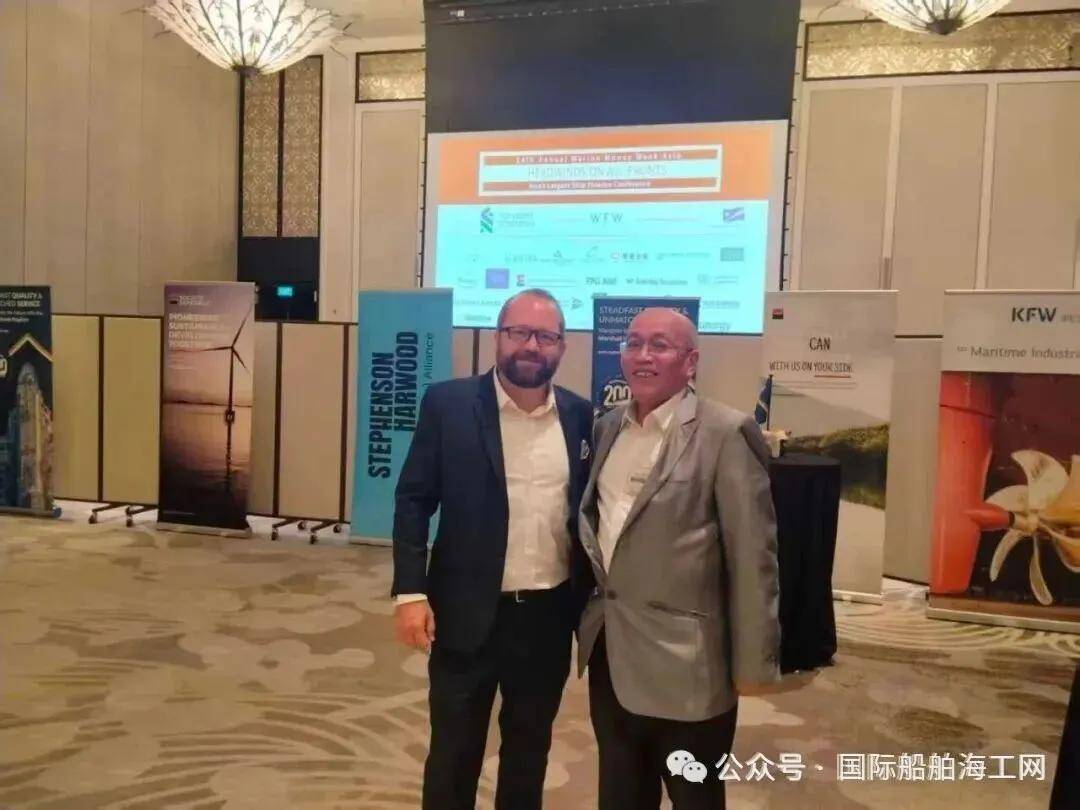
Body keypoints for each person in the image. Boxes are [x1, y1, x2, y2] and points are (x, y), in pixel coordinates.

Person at [392, 289, 594, 810]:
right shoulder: (449, 405)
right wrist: (410, 591)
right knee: (454, 753)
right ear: (498, 337)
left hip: (547, 619)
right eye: (519, 332)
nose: (531, 345)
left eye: (545, 336)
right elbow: (414, 499)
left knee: (529, 751)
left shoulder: (580, 416)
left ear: (562, 346)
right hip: (465, 614)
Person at [578, 307, 781, 810]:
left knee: (696, 798)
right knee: (621, 796)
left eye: (660, 345)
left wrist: (753, 664)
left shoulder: (725, 432)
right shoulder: (607, 428)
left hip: (688, 666)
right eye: (633, 343)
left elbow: (753, 557)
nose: (643, 356)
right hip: (612, 654)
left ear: (690, 362)